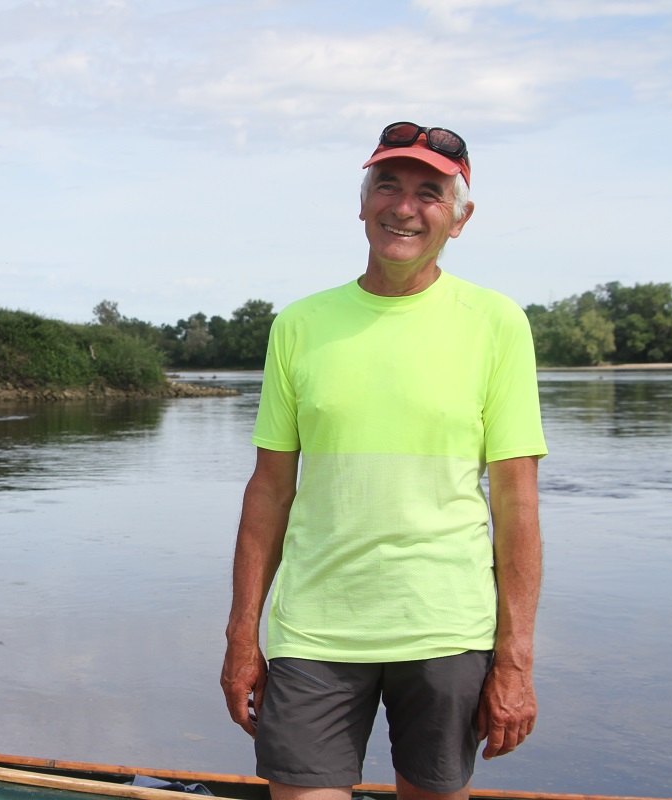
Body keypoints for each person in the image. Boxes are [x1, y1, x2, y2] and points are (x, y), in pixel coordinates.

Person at [219, 122, 546, 800]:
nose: (404, 207)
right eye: (388, 186)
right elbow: (269, 492)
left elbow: (516, 506)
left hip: (446, 630)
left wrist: (514, 659)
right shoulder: (300, 325)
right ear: (362, 202)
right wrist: (242, 636)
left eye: (430, 193)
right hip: (313, 629)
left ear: (460, 219)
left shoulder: (496, 324)